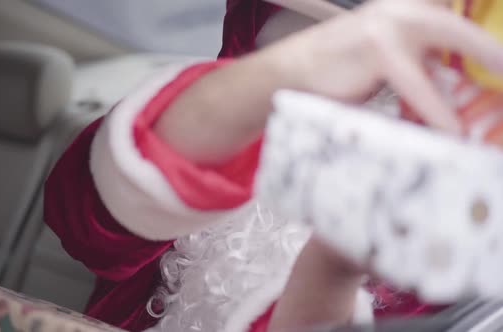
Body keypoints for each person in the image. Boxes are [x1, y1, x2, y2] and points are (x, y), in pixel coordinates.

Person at [43, 0, 503, 331]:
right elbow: (87, 223)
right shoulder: (236, 104)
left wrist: (335, 262)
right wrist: (281, 75)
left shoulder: (462, 218)